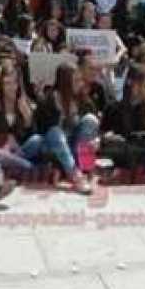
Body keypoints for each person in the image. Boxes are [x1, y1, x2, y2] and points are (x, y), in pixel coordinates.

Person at [31, 63, 97, 193]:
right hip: (54, 146)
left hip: (74, 146)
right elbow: (42, 131)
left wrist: (96, 138)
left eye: (80, 80)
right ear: (66, 82)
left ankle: (84, 168)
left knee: (90, 119)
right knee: (55, 132)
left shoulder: (82, 99)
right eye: (76, 80)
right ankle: (76, 176)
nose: (80, 84)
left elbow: (93, 121)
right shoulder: (49, 101)